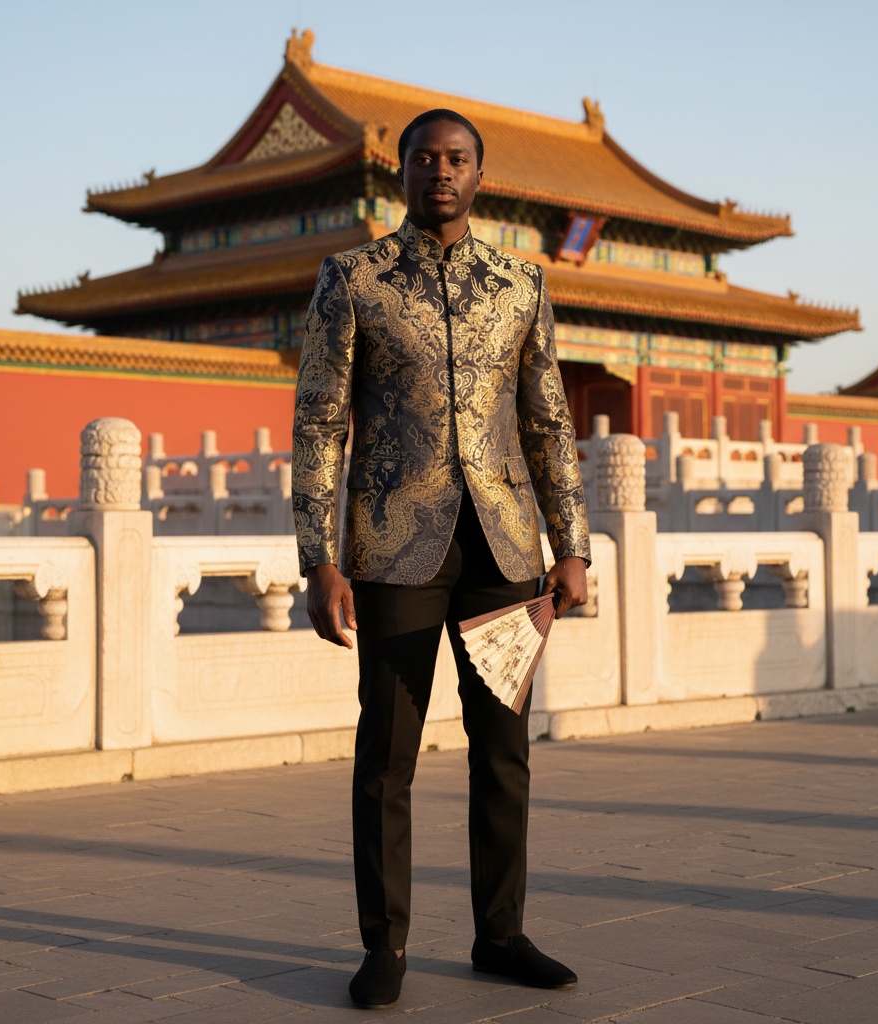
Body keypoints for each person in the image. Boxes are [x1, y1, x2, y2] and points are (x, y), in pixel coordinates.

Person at [291, 108, 591, 1009]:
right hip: (393, 551)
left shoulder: (521, 284)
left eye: (457, 160)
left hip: (503, 550)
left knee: (504, 753)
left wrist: (571, 546)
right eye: (426, 159)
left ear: (480, 175)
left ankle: (500, 935)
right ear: (404, 173)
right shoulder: (354, 279)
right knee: (388, 757)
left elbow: (548, 421)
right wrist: (319, 556)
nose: (442, 173)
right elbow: (319, 424)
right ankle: (384, 947)